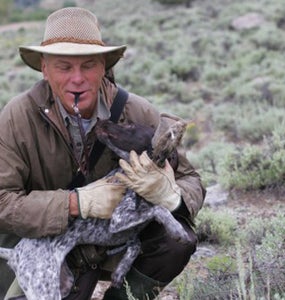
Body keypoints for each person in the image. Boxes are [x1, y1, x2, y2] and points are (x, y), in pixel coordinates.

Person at [0, 6, 205, 300]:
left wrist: (170, 194)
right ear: (44, 69)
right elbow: (2, 201)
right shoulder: (17, 117)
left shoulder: (137, 112)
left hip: (118, 242)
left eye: (88, 65)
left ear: (104, 66)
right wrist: (74, 203)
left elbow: (191, 179)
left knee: (178, 239)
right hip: (48, 241)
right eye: (64, 66)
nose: (78, 78)